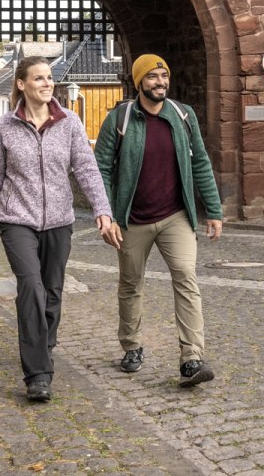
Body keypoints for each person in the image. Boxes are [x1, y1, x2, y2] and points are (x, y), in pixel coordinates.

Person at [0, 56, 120, 403]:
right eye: (38, 78)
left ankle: (44, 342)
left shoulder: (69, 122)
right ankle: (38, 374)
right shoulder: (3, 128)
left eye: (49, 78)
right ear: (21, 84)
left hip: (59, 221)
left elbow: (86, 169)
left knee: (52, 291)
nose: (47, 83)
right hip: (17, 220)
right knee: (30, 287)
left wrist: (102, 209)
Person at [94, 53, 223, 387]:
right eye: (152, 77)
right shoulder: (120, 118)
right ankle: (132, 346)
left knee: (185, 276)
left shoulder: (183, 115)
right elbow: (101, 168)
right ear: (139, 82)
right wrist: (108, 216)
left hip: (175, 215)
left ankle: (192, 358)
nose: (160, 82)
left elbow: (201, 163)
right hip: (132, 219)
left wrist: (213, 210)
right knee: (131, 283)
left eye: (164, 76)